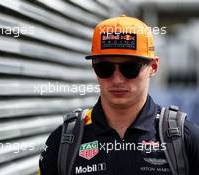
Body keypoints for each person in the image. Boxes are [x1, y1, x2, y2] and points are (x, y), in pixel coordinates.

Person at [38, 15, 199, 175]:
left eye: (130, 68)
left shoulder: (183, 138)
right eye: (105, 68)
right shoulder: (64, 141)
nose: (117, 79)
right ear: (93, 67)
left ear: (154, 67)